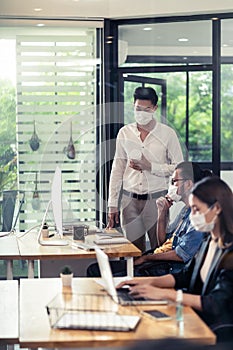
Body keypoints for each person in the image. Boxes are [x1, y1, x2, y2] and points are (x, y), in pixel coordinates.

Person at [117, 176, 233, 343]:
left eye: (196, 210)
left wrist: (166, 294)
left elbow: (216, 303)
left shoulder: (229, 253)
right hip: (194, 317)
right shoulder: (210, 241)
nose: (192, 216)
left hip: (215, 331)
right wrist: (147, 283)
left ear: (216, 208)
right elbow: (185, 275)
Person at [87, 161, 211, 277]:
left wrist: (146, 258)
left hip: (164, 269)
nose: (172, 186)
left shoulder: (198, 217)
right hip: (154, 262)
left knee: (96, 271)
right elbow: (163, 243)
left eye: (174, 181)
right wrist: (162, 213)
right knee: (95, 268)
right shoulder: (184, 211)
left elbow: (181, 254)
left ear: (188, 184)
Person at [107, 86, 183, 252]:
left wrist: (150, 167)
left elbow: (179, 168)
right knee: (132, 252)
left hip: (155, 200)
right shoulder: (125, 133)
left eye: (146, 109)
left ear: (154, 108)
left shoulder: (167, 134)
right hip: (129, 201)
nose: (141, 113)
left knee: (159, 249)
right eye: (137, 108)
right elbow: (117, 169)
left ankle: (158, 278)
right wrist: (112, 204)